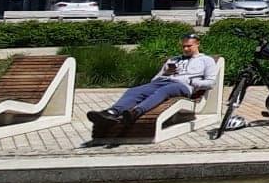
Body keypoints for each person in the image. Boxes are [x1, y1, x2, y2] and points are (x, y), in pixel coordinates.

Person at [87, 33, 218, 125]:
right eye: (183, 46)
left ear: (197, 44)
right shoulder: (174, 59)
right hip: (164, 81)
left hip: (183, 86)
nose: (185, 49)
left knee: (164, 91)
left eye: (189, 46)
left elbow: (211, 83)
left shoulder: (206, 60)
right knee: (134, 90)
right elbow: (154, 79)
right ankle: (112, 112)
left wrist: (193, 82)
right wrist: (166, 72)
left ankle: (136, 112)